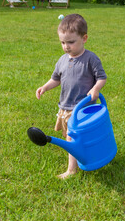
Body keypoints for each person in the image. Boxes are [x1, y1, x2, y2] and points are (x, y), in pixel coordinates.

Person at [35, 14, 107, 179]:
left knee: (72, 138)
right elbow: (56, 79)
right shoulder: (62, 60)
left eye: (71, 42)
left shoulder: (90, 59)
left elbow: (102, 77)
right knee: (72, 137)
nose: (66, 46)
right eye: (62, 42)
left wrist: (96, 89)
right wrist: (45, 87)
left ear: (84, 38)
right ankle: (88, 157)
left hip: (82, 110)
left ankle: (72, 170)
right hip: (65, 108)